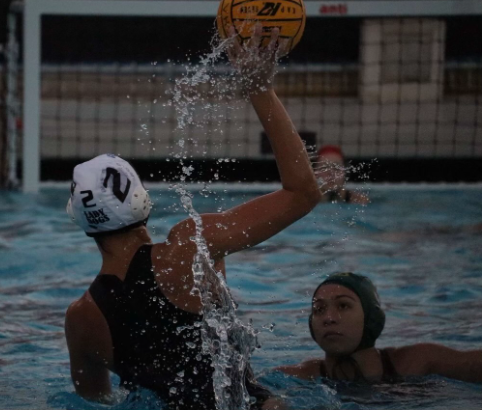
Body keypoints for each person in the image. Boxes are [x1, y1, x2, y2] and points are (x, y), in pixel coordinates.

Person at [64, 26, 321, 410]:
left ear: (82, 222)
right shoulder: (189, 247)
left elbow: (98, 401)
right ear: (142, 201)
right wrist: (259, 88)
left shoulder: (81, 317)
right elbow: (303, 193)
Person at [275, 272, 482, 384]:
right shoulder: (299, 377)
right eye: (319, 309)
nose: (329, 318)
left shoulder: (417, 362)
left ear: (372, 318)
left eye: (343, 306)